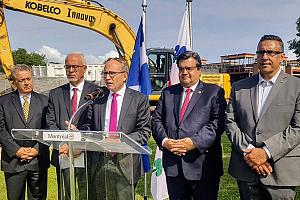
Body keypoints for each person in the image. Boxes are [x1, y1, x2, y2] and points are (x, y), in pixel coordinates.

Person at [226, 34, 300, 200]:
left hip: (281, 172)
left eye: (271, 52)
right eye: (260, 52)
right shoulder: (239, 87)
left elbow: (298, 128)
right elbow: (231, 122)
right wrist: (251, 153)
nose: (265, 57)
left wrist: (266, 152)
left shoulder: (296, 87)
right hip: (246, 169)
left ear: (282, 57)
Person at [152, 51, 227, 200]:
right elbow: (156, 121)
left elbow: (217, 124)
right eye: (181, 69)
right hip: (174, 167)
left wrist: (193, 142)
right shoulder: (168, 93)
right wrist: (166, 142)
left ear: (199, 70)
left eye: (189, 68)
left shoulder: (214, 92)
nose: (184, 72)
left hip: (203, 167)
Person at [82, 57, 151, 200]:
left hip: (126, 163)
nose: (107, 77)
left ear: (125, 75)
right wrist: (80, 132)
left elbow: (144, 132)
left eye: (112, 73)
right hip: (99, 162)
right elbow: (90, 126)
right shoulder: (98, 98)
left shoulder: (139, 99)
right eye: (105, 73)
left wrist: (119, 141)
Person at [46, 52, 98, 200]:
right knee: (65, 194)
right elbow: (50, 123)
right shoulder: (55, 93)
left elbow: (96, 123)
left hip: (87, 153)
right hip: (63, 152)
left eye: (75, 66)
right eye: (68, 66)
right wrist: (62, 146)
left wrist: (80, 146)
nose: (71, 70)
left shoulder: (97, 93)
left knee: (87, 194)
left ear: (85, 68)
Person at [0, 64, 49, 200]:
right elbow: (1, 129)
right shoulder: (3, 102)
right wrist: (17, 150)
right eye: (22, 80)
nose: (27, 83)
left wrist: (36, 150)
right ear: (14, 82)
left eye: (29, 79)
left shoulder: (45, 101)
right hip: (13, 161)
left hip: (38, 161)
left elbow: (49, 128)